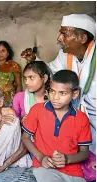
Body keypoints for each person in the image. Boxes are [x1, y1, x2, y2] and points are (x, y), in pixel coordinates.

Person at [21, 14, 96, 155]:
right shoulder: (64, 54)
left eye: (64, 34)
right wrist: (34, 60)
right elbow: (51, 71)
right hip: (76, 112)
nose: (59, 38)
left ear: (82, 38)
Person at [22, 70, 92, 182]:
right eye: (52, 91)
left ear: (74, 94)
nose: (55, 97)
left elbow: (84, 153)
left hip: (74, 172)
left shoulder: (81, 118)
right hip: (45, 167)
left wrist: (67, 159)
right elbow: (25, 138)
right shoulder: (37, 110)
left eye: (62, 93)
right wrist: (41, 157)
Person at [0, 41, 22, 107]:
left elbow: (18, 85)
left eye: (3, 51)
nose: (0, 53)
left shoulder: (14, 66)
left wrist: (17, 101)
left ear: (8, 53)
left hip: (9, 99)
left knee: (8, 116)